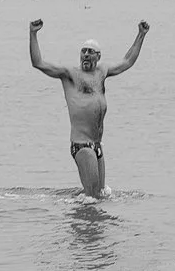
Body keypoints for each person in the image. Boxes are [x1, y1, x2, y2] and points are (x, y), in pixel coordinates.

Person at [28, 19, 148, 197]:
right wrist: (33, 33)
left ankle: (78, 210)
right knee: (92, 198)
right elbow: (38, 63)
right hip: (82, 145)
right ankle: (77, 212)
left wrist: (141, 34)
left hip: (97, 145)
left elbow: (127, 61)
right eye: (83, 51)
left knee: (100, 196)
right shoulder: (70, 74)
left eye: (90, 52)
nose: (85, 55)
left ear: (98, 56)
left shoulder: (102, 72)